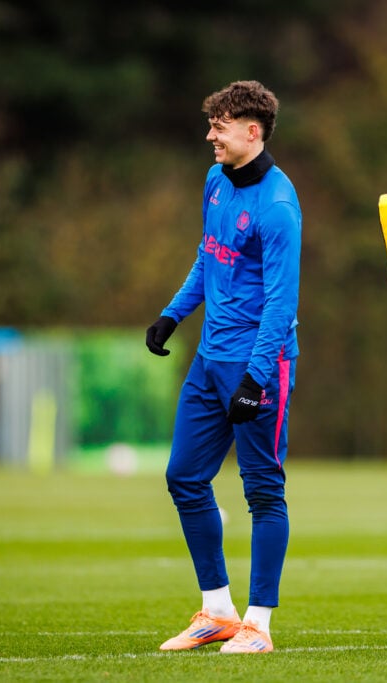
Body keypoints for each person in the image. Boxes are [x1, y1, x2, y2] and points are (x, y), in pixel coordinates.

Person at [146, 80, 302, 655]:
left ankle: (258, 624)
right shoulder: (215, 181)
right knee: (183, 477)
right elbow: (208, 257)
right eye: (211, 123)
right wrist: (172, 315)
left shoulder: (279, 207)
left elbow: (282, 306)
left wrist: (256, 377)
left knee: (263, 490)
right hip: (209, 358)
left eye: (221, 125)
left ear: (252, 132)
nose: (210, 134)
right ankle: (216, 610)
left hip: (259, 364)